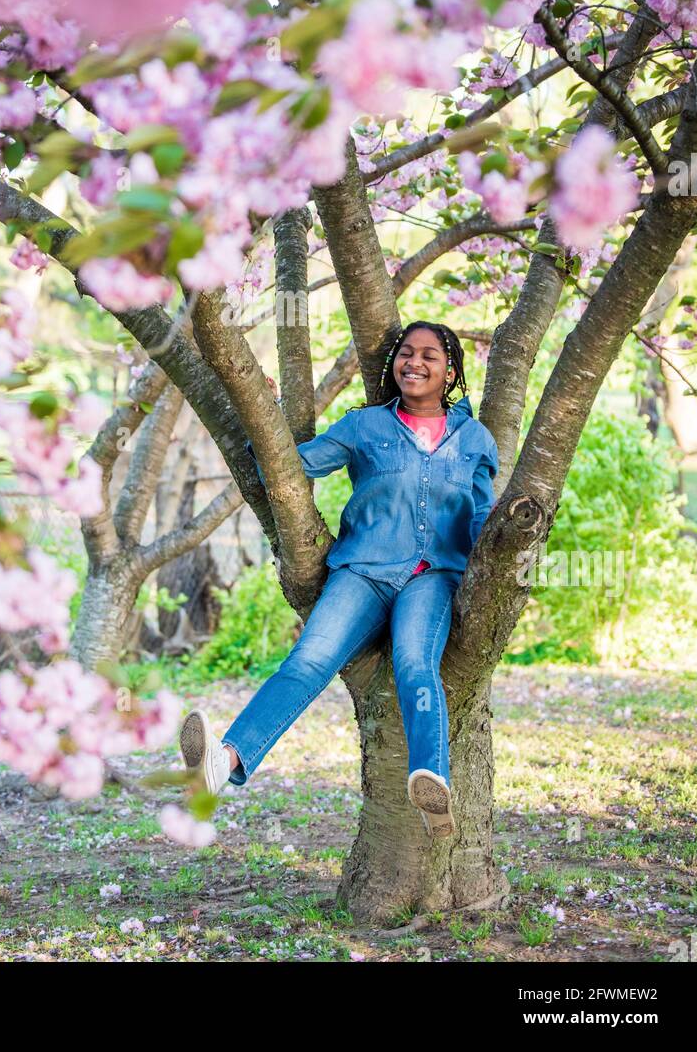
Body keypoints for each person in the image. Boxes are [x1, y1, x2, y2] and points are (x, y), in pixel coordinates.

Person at [178, 320, 499, 840]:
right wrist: (263, 417)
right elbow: (284, 470)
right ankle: (223, 760)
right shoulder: (365, 426)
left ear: (451, 371)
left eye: (429, 356)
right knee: (308, 661)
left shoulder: (475, 440)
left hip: (433, 577)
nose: (413, 362)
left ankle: (432, 783)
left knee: (416, 664)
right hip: (363, 572)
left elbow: (485, 520)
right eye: (404, 353)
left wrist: (501, 572)